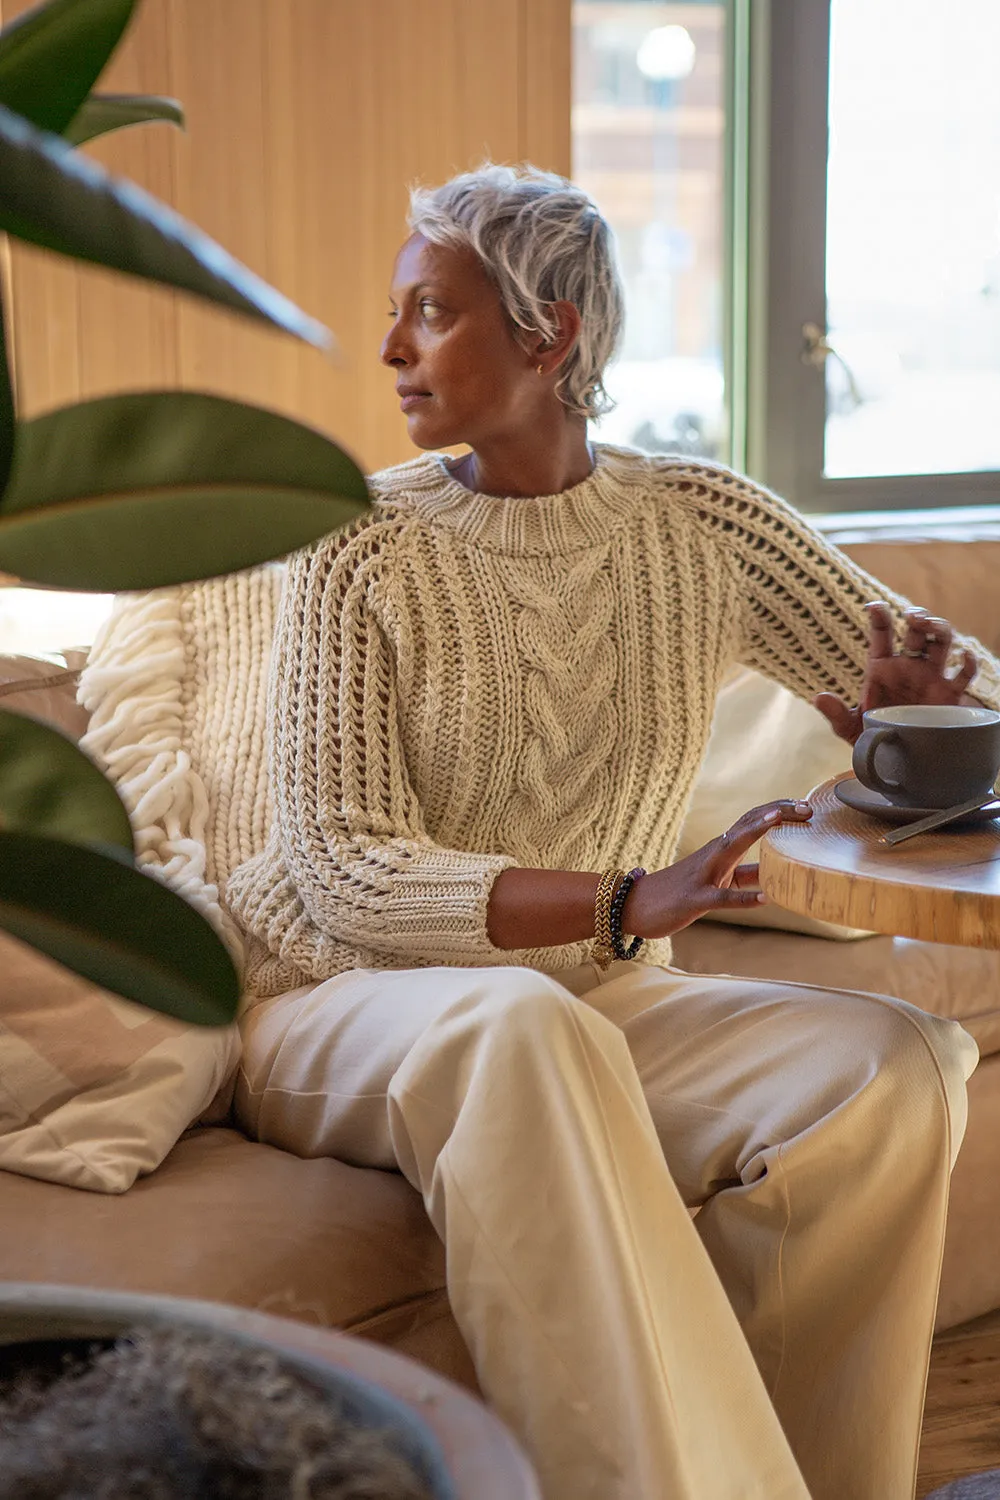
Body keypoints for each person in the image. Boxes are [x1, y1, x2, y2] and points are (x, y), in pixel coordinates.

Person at [226, 164, 998, 1500]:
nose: (395, 346)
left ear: (549, 333)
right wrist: (621, 899)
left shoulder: (696, 521)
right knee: (523, 1027)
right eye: (399, 314)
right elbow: (343, 870)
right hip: (343, 1002)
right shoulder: (356, 540)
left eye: (431, 312)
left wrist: (915, 712)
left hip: (595, 998)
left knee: (898, 1066)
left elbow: (944, 684)